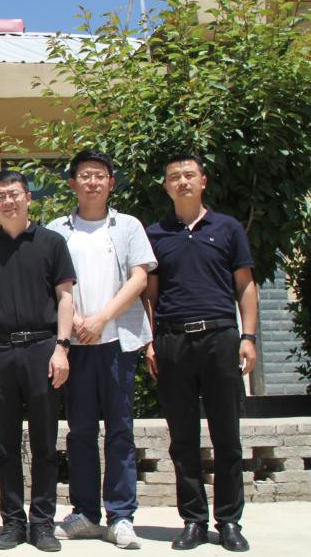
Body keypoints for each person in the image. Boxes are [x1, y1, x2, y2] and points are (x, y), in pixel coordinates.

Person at [143, 154, 258, 553]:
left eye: (189, 175)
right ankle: (193, 520)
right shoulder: (156, 233)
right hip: (173, 341)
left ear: (203, 181)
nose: (182, 181)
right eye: (174, 177)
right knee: (182, 438)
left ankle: (229, 521)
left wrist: (249, 337)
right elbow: (151, 295)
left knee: (227, 436)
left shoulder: (227, 228)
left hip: (220, 337)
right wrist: (152, 341)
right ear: (166, 186)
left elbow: (245, 285)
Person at [46, 150, 157, 550]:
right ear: (72, 183)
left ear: (110, 183)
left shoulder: (127, 226)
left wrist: (101, 318)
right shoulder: (57, 230)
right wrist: (77, 322)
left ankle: (121, 516)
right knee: (79, 431)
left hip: (117, 343)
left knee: (120, 429)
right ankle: (86, 513)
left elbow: (139, 278)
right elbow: (51, 282)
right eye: (85, 175)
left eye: (99, 175)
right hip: (74, 346)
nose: (92, 182)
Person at [0, 169, 75, 553]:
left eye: (14, 194)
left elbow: (65, 297)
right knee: (4, 445)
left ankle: (42, 524)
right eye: (0, 196)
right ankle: (13, 523)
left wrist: (62, 347)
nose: (8, 201)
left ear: (28, 197)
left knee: (45, 444)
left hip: (43, 349)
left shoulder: (52, 242)